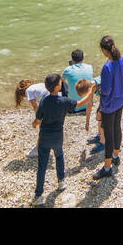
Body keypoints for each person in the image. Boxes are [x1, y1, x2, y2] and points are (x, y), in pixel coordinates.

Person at [31, 72, 75, 204]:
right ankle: (61, 182)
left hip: (44, 137)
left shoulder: (44, 101)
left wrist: (34, 125)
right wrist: (90, 93)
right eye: (60, 82)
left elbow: (38, 120)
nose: (62, 83)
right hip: (58, 136)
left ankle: (38, 196)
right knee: (59, 156)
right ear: (57, 87)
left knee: (42, 166)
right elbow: (78, 104)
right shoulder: (63, 101)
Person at [93, 35, 123, 181]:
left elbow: (105, 91)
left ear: (104, 50)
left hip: (109, 104)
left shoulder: (106, 67)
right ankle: (116, 155)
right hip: (120, 99)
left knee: (108, 134)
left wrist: (98, 87)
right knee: (117, 127)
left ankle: (107, 167)